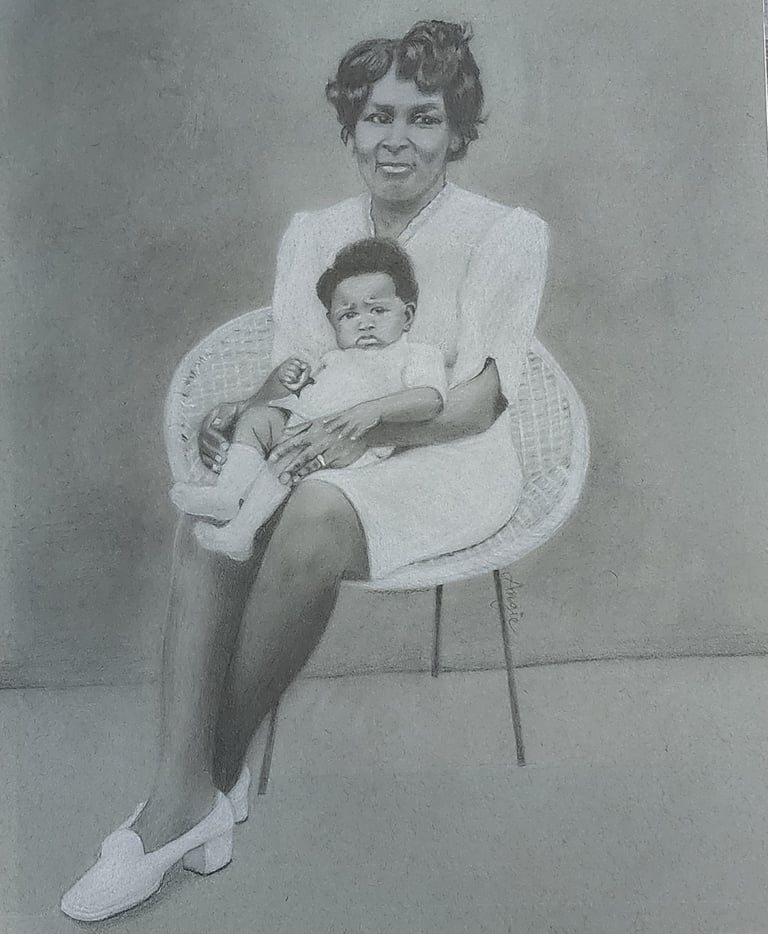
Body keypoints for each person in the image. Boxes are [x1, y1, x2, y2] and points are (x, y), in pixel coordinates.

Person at [61, 18, 550, 922]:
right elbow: (296, 368)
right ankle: (192, 797)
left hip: (452, 461)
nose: (395, 141)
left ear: (457, 129)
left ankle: (187, 796)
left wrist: (367, 421)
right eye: (375, 118)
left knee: (316, 508)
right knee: (211, 521)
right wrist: (249, 408)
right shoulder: (313, 232)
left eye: (423, 119)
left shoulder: (505, 234)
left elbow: (481, 402)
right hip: (327, 443)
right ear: (351, 126)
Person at [169, 237, 447, 561]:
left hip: (352, 444)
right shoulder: (333, 359)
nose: (365, 322)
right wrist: (284, 382)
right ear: (333, 322)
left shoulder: (414, 354)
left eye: (378, 310)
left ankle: (240, 534)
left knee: (290, 455)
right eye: (349, 315)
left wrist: (374, 410)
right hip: (302, 426)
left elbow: (431, 398)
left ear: (408, 315)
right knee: (258, 420)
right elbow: (297, 395)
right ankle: (228, 494)